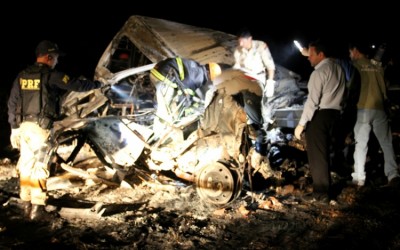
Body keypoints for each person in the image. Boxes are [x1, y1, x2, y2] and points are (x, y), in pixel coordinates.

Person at [7, 40, 105, 221]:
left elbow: (12, 103)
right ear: (49, 57)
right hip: (39, 129)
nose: (57, 61)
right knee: (39, 166)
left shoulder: (22, 76)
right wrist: (98, 85)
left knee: (26, 165)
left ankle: (26, 204)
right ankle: (37, 209)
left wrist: (13, 128)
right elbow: (76, 85)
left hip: (23, 128)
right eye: (56, 58)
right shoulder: (50, 75)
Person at [294, 40, 346, 203]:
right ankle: (325, 189)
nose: (308, 58)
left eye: (311, 55)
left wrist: (301, 124)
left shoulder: (319, 73)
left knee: (317, 155)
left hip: (320, 116)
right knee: (326, 153)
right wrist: (306, 51)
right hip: (334, 114)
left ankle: (321, 193)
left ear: (320, 54)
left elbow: (312, 102)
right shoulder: (338, 68)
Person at [348, 42, 400, 187]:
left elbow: (352, 88)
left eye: (350, 52)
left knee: (360, 145)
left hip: (363, 108)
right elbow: (386, 87)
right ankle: (393, 175)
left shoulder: (357, 65)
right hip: (380, 109)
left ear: (355, 50)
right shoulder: (377, 65)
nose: (350, 56)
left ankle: (358, 179)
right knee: (386, 143)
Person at [149, 57, 221, 139]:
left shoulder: (195, 67)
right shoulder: (200, 76)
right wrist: (187, 106)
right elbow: (187, 92)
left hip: (157, 75)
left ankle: (156, 130)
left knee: (162, 105)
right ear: (210, 75)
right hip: (165, 80)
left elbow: (184, 87)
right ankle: (157, 137)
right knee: (166, 114)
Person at [233, 29, 276, 125]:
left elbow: (270, 66)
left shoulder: (261, 46)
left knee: (263, 104)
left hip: (259, 77)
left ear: (249, 39)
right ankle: (255, 122)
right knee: (246, 102)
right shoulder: (238, 50)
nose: (240, 43)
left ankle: (265, 123)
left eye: (242, 41)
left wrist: (270, 83)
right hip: (245, 79)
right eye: (239, 41)